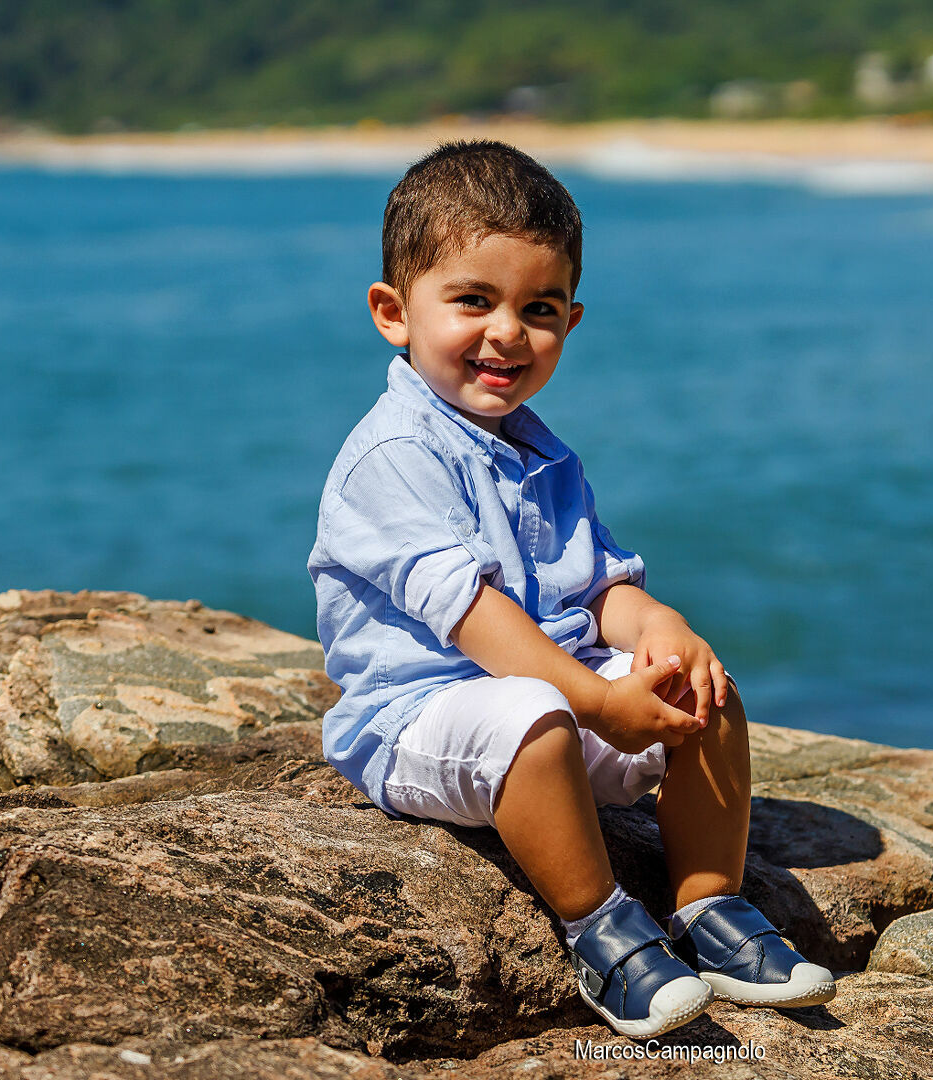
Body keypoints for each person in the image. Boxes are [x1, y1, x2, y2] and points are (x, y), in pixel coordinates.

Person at [309, 140, 835, 1039]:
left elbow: (599, 588)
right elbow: (474, 619)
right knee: (532, 722)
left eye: (537, 309)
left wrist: (662, 629)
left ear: (571, 321)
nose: (506, 332)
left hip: (547, 696)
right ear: (394, 312)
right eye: (472, 300)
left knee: (703, 693)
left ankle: (706, 903)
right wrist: (597, 702)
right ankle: (600, 931)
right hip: (421, 717)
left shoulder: (539, 449)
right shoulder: (395, 454)